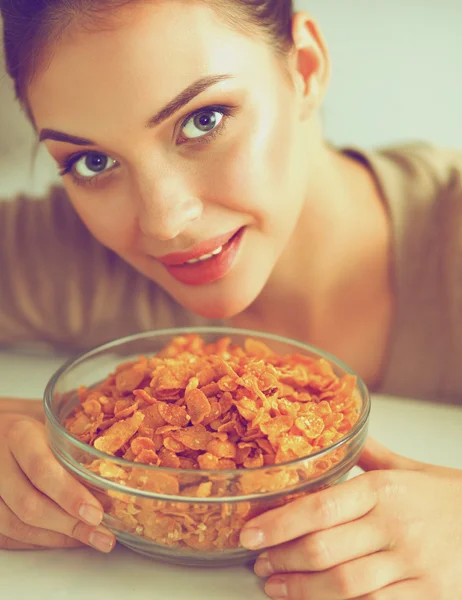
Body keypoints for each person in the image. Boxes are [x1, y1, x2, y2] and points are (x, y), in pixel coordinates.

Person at [0, 0, 461, 598]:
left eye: (203, 120)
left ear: (307, 68)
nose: (166, 221)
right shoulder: (63, 254)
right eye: (93, 162)